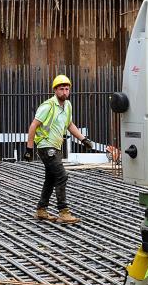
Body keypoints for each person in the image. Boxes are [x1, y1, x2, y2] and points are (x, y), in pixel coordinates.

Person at [23, 74, 94, 224]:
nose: (64, 92)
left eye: (67, 89)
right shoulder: (47, 106)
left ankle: (41, 210)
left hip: (55, 146)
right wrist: (29, 149)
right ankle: (64, 212)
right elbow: (33, 126)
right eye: (61, 89)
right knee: (62, 176)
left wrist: (83, 139)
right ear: (55, 90)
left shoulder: (67, 106)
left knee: (51, 178)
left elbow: (69, 125)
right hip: (45, 146)